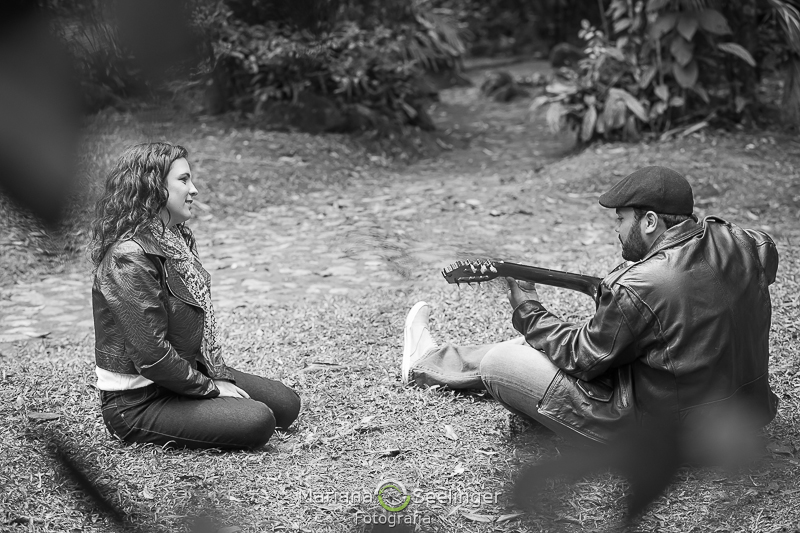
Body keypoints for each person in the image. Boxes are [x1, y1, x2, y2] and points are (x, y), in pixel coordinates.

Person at [401, 166, 779, 446]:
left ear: (649, 221)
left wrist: (528, 308)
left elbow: (583, 358)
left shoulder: (639, 286)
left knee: (503, 359)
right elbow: (744, 269)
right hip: (741, 417)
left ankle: (425, 363)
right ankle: (435, 358)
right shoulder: (749, 244)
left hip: (667, 437)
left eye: (621, 219)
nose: (615, 229)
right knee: (543, 346)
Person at [90, 142, 300, 449]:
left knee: (285, 404)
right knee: (258, 420)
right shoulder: (129, 257)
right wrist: (210, 388)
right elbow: (153, 356)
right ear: (154, 188)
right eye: (184, 180)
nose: (195, 190)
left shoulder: (174, 239)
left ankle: (201, 396)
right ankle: (148, 420)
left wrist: (216, 374)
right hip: (138, 402)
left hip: (182, 375)